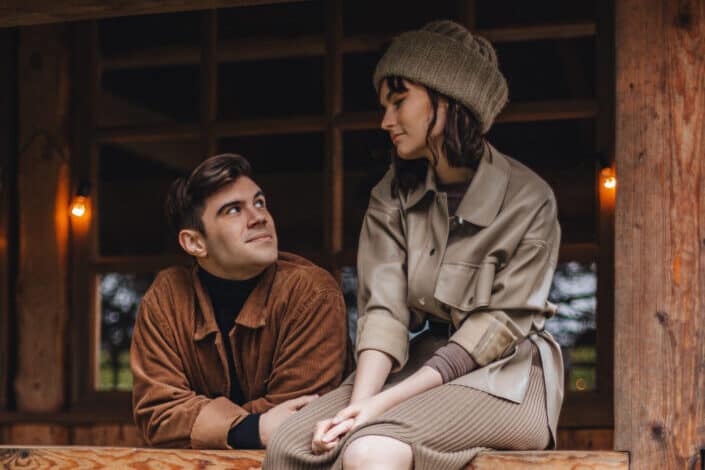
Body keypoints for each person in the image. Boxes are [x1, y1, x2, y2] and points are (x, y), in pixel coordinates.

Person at [265, 20, 564, 469]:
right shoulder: (390, 195)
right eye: (383, 105)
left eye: (399, 100)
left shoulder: (529, 199)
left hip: (509, 378)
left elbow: (494, 331)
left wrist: (376, 412)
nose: (386, 120)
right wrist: (358, 406)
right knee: (293, 442)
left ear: (448, 99)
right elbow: (384, 312)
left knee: (371, 448)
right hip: (423, 362)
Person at [130, 153, 354, 449]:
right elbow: (156, 415)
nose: (259, 216)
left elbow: (299, 417)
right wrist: (252, 428)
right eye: (234, 210)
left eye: (259, 202)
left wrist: (202, 425)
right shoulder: (166, 298)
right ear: (195, 243)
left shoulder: (312, 293)